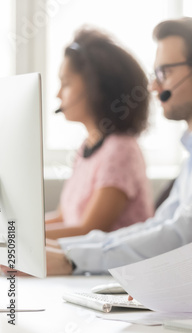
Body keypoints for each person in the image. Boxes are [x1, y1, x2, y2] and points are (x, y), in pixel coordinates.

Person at [42, 17, 192, 276]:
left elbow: (180, 236)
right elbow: (160, 225)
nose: (153, 86)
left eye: (166, 72)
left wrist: (71, 258)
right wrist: (63, 249)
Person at [45, 29, 154, 240]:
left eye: (66, 84)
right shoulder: (88, 146)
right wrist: (11, 232)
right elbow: (64, 217)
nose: (58, 94)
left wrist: (13, 239)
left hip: (110, 270)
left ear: (96, 87)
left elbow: (89, 231)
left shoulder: (121, 150)